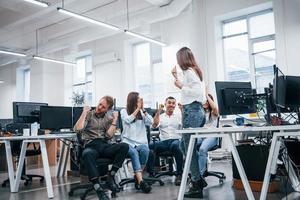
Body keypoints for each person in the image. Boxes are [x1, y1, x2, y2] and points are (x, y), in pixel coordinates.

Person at [74, 95, 129, 200]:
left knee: (124, 147)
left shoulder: (108, 119)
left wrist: (114, 120)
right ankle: (98, 187)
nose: (99, 108)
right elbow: (77, 129)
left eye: (103, 107)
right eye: (100, 104)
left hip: (104, 145)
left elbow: (109, 136)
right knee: (87, 153)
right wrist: (84, 112)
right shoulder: (89, 115)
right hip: (91, 145)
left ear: (108, 109)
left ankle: (111, 175)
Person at [172, 47, 206, 198]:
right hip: (195, 111)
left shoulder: (190, 72)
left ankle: (197, 182)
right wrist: (176, 77)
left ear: (182, 59)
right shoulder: (193, 71)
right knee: (183, 145)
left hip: (192, 111)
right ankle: (198, 177)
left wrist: (180, 86)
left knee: (189, 148)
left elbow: (198, 94)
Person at [120, 92, 153, 193]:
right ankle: (141, 181)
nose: (140, 101)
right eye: (139, 99)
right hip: (127, 143)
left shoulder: (142, 113)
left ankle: (137, 177)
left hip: (140, 143)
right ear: (133, 100)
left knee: (145, 150)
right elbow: (128, 120)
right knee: (133, 153)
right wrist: (138, 109)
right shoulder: (124, 111)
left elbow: (151, 122)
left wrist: (143, 110)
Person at [148, 96, 183, 186]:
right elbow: (154, 125)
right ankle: (152, 173)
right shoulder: (161, 116)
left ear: (175, 105)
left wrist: (182, 110)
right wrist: (158, 112)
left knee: (175, 146)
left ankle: (179, 174)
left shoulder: (179, 116)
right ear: (165, 104)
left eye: (173, 103)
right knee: (150, 146)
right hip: (164, 142)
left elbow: (185, 125)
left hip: (176, 140)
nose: (171, 105)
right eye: (169, 103)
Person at [196, 93, 219, 187]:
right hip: (200, 136)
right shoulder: (200, 113)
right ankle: (195, 171)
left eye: (206, 100)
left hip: (211, 136)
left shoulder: (213, 113)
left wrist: (206, 95)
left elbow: (215, 108)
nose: (204, 102)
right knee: (189, 146)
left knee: (202, 149)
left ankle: (200, 176)